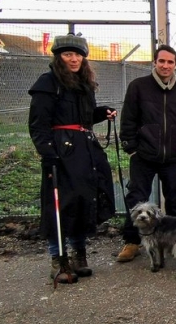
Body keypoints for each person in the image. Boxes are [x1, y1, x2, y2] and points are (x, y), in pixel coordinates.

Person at [28, 34, 116, 283]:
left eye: (78, 54)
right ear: (58, 57)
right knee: (60, 204)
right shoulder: (48, 83)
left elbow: (83, 120)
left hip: (85, 150)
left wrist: (102, 112)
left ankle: (79, 254)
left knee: (83, 200)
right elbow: (38, 124)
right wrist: (48, 154)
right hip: (61, 152)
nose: (74, 59)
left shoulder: (84, 84)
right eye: (68, 54)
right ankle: (58, 260)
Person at [117, 44, 176, 262]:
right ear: (154, 62)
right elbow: (128, 119)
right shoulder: (138, 87)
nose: (165, 65)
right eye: (161, 61)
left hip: (173, 156)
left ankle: (174, 240)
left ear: (175, 65)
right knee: (136, 198)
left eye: (170, 62)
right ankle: (132, 242)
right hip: (143, 154)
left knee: (174, 197)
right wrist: (131, 148)